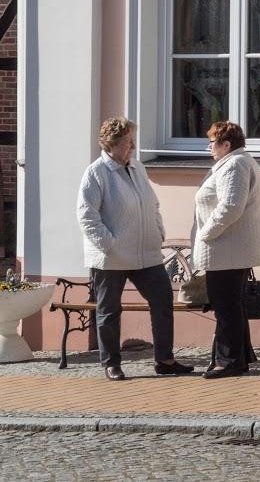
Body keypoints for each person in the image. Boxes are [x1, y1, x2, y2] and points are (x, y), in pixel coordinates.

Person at [76, 117, 195, 381]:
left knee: (162, 299)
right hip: (111, 257)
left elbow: (152, 205)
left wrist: (158, 232)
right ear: (113, 144)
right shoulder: (96, 173)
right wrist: (109, 243)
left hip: (146, 253)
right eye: (128, 142)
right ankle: (111, 363)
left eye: (132, 141)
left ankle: (164, 359)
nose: (132, 146)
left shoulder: (137, 168)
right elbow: (86, 216)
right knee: (109, 310)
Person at [192, 121, 260, 379]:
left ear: (226, 144)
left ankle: (230, 361)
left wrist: (205, 234)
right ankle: (239, 355)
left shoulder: (235, 165)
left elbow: (231, 207)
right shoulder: (234, 163)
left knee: (225, 306)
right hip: (229, 249)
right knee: (232, 304)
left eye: (212, 142)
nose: (209, 147)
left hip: (226, 249)